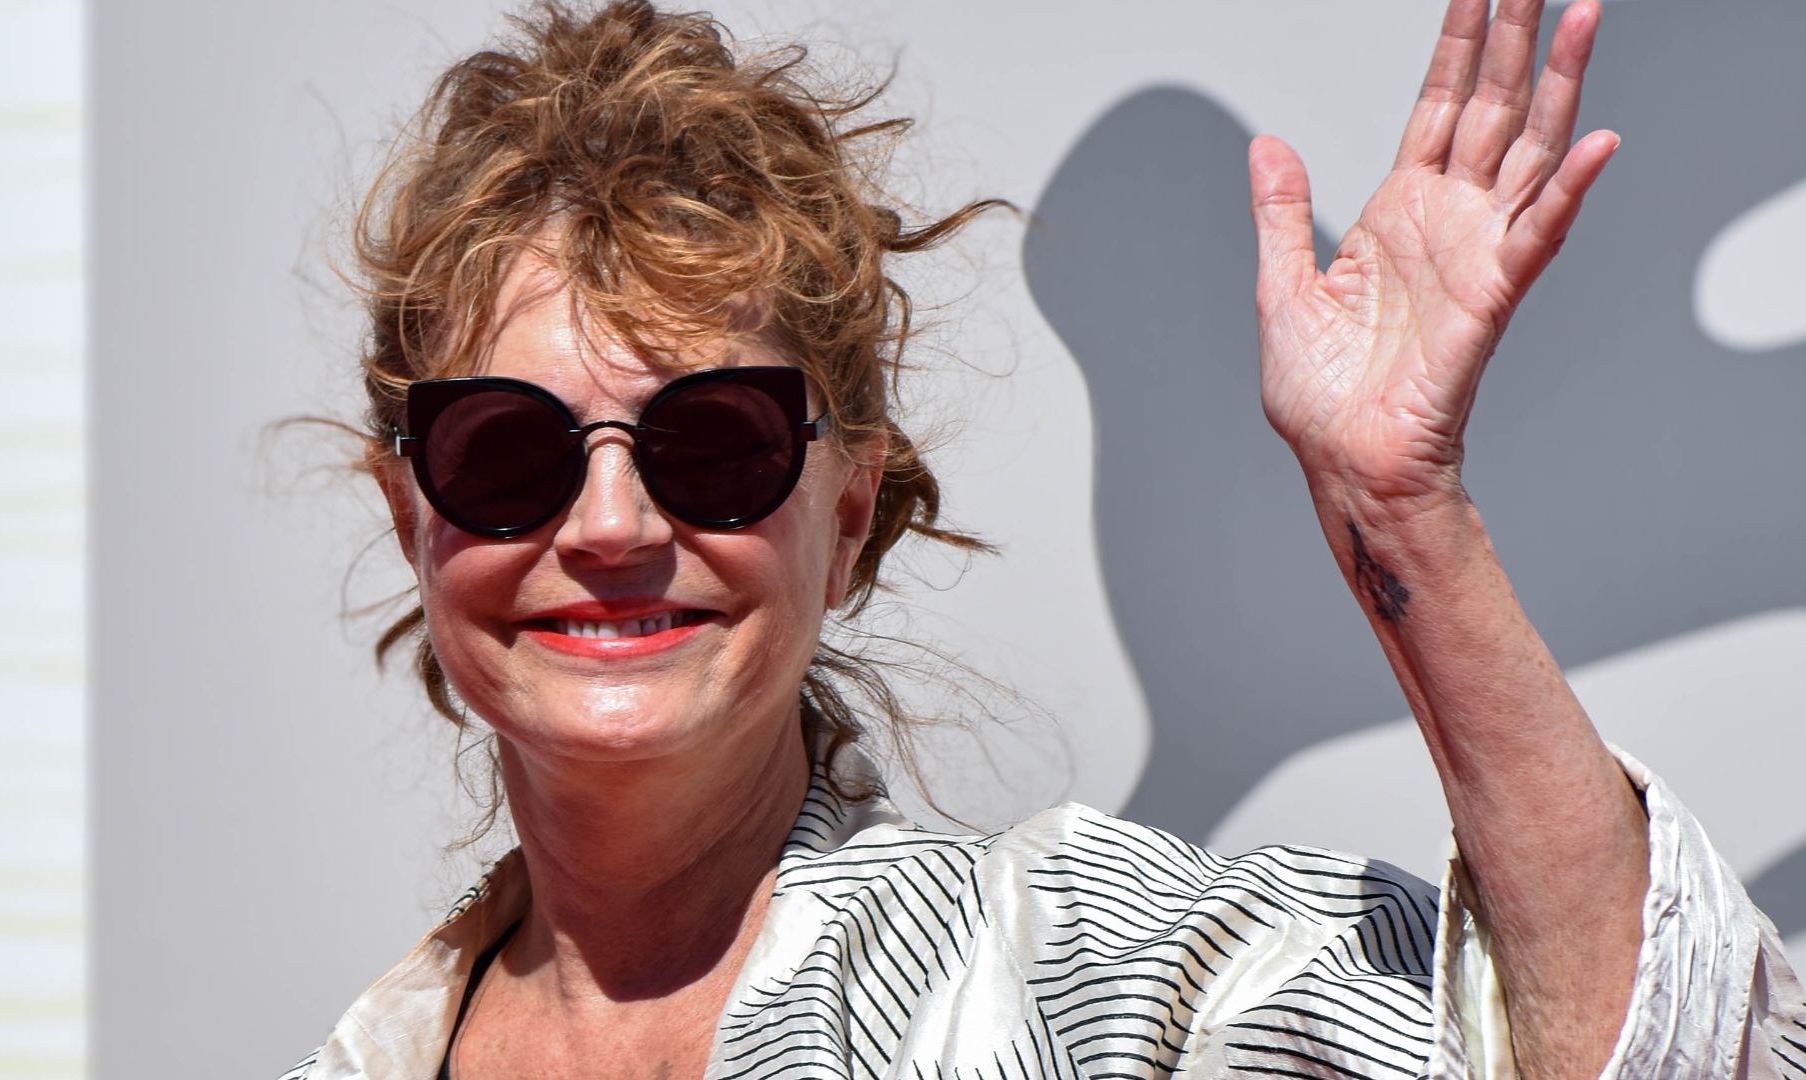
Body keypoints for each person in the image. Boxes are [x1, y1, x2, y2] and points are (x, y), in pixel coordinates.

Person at [281, 0, 1805, 1076]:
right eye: (506, 453)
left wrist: (1402, 510)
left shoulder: (1086, 978)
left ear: (848, 510)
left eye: (714, 445)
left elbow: (1649, 1052)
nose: (612, 524)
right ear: (411, 513)